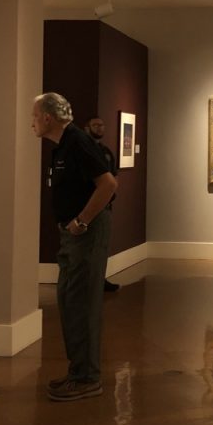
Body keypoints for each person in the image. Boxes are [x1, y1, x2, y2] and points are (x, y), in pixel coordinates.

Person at [32, 93, 117, 402]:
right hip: (74, 235)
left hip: (86, 233)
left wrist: (81, 221)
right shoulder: (63, 146)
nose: (31, 122)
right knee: (69, 300)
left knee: (81, 302)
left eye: (34, 116)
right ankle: (78, 372)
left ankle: (87, 378)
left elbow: (108, 185)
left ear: (47, 117)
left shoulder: (78, 142)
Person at [86, 115, 122, 292]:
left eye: (102, 125)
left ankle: (100, 279)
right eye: (96, 125)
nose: (100, 128)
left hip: (105, 205)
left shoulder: (106, 152)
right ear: (87, 128)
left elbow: (113, 175)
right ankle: (90, 281)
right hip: (88, 204)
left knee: (101, 245)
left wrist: (111, 193)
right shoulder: (84, 151)